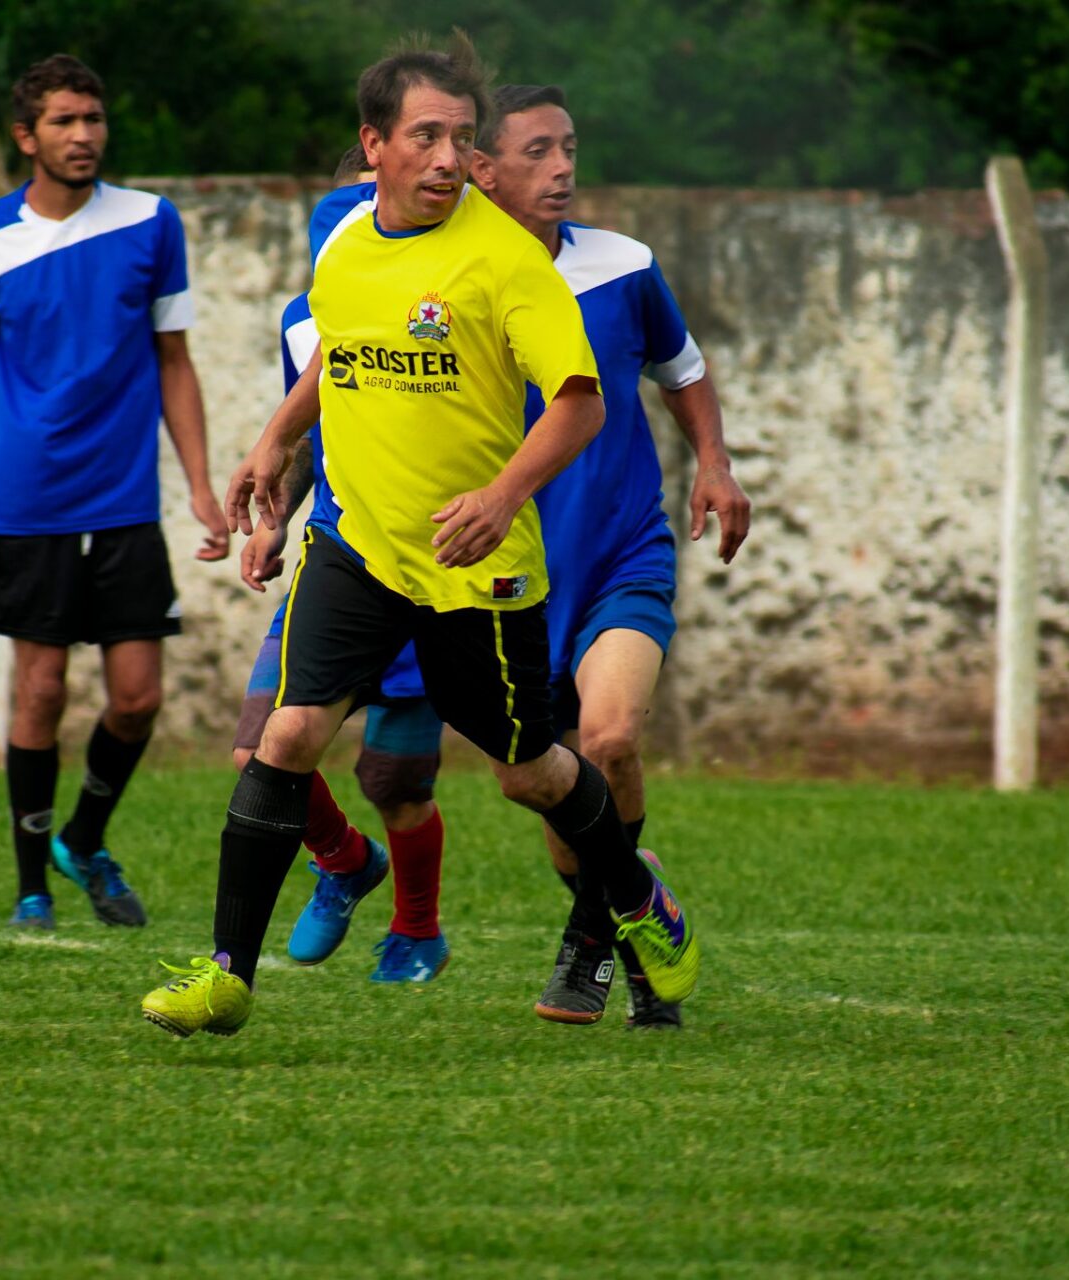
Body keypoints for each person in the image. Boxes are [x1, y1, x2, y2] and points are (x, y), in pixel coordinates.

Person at [140, 33, 701, 1038]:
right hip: (359, 547)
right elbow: (341, 351)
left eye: (462, 139)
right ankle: (227, 974)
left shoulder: (505, 260)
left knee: (530, 770)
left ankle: (635, 894)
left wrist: (499, 495)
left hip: (475, 569)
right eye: (427, 136)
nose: (448, 158)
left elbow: (579, 406)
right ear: (375, 146)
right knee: (288, 734)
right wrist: (273, 440)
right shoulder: (348, 244)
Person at [470, 84, 751, 1028]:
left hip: (625, 551)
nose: (563, 170)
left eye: (570, 149)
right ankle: (636, 909)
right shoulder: (458, 281)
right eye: (538, 153)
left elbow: (684, 370)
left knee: (612, 738)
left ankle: (590, 946)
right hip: (509, 574)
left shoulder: (624, 266)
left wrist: (714, 464)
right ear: (484, 170)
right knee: (537, 786)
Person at [0, 54, 229, 932]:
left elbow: (175, 361)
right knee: (41, 690)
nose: (83, 136)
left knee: (139, 697)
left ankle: (84, 838)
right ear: (27, 137)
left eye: (93, 119)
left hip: (126, 501)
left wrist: (204, 488)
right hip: (28, 499)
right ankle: (33, 887)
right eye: (63, 121)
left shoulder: (149, 223)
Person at [231, 147, 452, 985]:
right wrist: (272, 522)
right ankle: (343, 861)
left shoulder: (450, 302)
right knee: (258, 748)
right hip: (335, 555)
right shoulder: (303, 319)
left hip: (424, 561)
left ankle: (417, 931)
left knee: (394, 776)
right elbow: (308, 432)